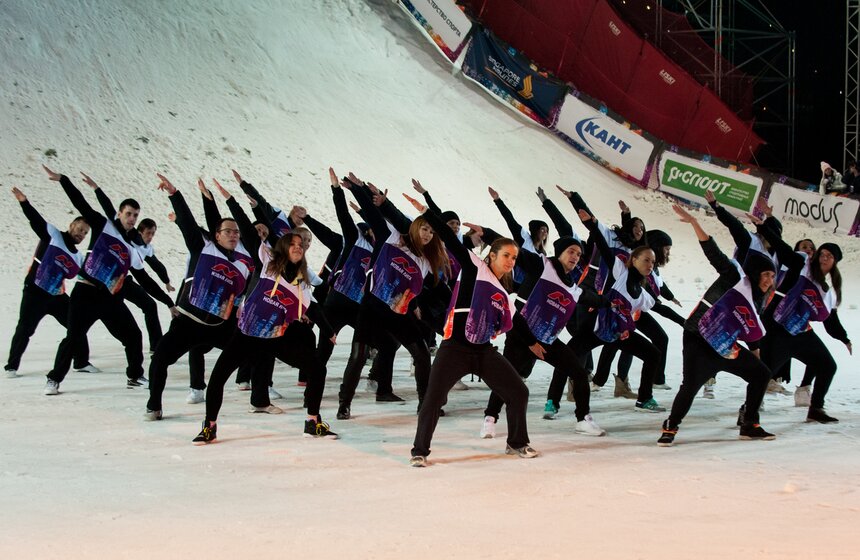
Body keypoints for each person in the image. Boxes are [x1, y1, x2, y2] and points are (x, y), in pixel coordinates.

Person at [408, 195, 536, 466]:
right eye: (506, 255)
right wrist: (428, 213)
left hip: (484, 352)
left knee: (518, 392)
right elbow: (449, 237)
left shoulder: (504, 292)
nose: (511, 261)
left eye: (514, 257)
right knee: (433, 399)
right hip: (454, 348)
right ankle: (419, 451)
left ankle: (517, 443)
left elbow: (512, 322)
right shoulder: (473, 266)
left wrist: (529, 341)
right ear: (492, 255)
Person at [192, 218, 338, 443]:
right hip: (246, 335)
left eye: (301, 245)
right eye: (293, 244)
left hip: (276, 338)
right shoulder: (267, 263)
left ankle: (312, 422)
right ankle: (209, 426)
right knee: (218, 377)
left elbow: (314, 309)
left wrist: (329, 332)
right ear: (283, 248)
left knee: (317, 369)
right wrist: (238, 203)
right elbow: (250, 234)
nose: (298, 247)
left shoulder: (301, 283)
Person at [42, 166, 174, 395]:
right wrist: (64, 180)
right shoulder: (103, 225)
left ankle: (135, 376)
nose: (132, 218)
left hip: (110, 298)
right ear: (120, 213)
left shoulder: (132, 248)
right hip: (85, 293)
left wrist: (168, 302)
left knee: (133, 336)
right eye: (128, 213)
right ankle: (53, 379)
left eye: (135, 215)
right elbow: (81, 203)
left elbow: (144, 279)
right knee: (73, 337)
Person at [657, 204, 776, 447]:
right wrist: (694, 223)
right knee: (690, 385)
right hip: (698, 337)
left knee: (762, 373)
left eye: (772, 276)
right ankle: (670, 426)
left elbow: (752, 329)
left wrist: (755, 358)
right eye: (765, 275)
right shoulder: (734, 277)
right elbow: (713, 252)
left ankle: (749, 424)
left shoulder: (760, 298)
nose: (769, 280)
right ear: (754, 274)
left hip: (724, 345)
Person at [145, 176, 258, 419]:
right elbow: (187, 222)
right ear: (217, 235)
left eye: (236, 232)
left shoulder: (243, 265)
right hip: (188, 323)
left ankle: (259, 399)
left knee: (255, 352)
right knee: (160, 358)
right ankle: (154, 405)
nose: (233, 235)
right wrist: (174, 194)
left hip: (219, 327)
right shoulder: (202, 248)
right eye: (227, 231)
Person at [335, 174, 448, 419]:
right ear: (415, 227)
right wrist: (358, 189)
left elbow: (432, 291)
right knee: (358, 355)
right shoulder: (392, 237)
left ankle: (425, 403)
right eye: (424, 229)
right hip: (372, 305)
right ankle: (344, 404)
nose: (427, 234)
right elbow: (373, 213)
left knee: (421, 354)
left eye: (431, 232)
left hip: (398, 312)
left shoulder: (426, 261)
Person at [755, 218, 850, 424]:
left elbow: (830, 320)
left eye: (829, 256)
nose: (824, 258)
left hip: (801, 333)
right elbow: (783, 249)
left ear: (835, 262)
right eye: (822, 254)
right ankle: (748, 411)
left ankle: (815, 409)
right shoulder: (803, 265)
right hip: (778, 328)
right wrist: (763, 228)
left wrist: (844, 338)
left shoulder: (828, 291)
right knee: (764, 373)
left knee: (827, 366)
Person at [5, 187, 97, 377]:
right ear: (71, 225)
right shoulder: (53, 235)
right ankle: (11, 367)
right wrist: (24, 202)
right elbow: (35, 220)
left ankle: (81, 362)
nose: (81, 234)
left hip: (56, 296)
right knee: (25, 329)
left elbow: (87, 276)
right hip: (34, 291)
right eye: (79, 229)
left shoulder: (78, 257)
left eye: (85, 233)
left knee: (76, 325)